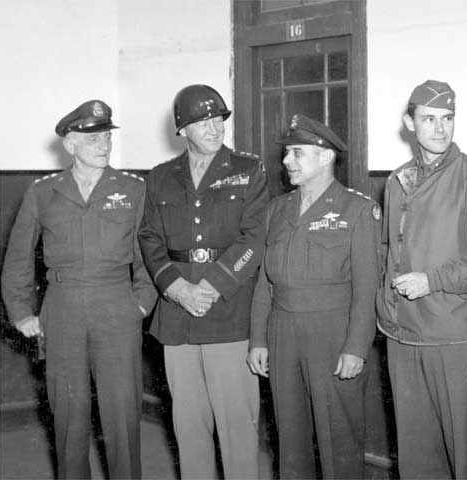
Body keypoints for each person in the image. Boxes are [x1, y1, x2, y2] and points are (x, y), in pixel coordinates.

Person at [1, 100, 157, 479]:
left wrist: (139, 305)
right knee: (69, 417)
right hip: (63, 310)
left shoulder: (133, 189)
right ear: (70, 145)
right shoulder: (43, 192)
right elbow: (18, 258)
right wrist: (21, 312)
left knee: (122, 414)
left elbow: (149, 254)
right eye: (93, 138)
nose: (104, 144)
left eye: (106, 136)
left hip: (117, 306)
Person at [137, 84, 268, 479]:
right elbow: (149, 237)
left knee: (237, 428)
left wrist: (209, 289)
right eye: (202, 121)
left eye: (218, 119)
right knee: (188, 427)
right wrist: (175, 289)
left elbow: (254, 236)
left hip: (227, 312)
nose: (214, 128)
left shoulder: (248, 169)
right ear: (182, 129)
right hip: (176, 317)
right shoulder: (160, 177)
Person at [376, 80, 467, 479]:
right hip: (402, 335)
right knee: (417, 457)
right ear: (409, 122)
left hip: (454, 337)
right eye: (429, 119)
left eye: (447, 119)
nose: (440, 128)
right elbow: (389, 252)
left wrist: (434, 280)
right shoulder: (396, 180)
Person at [247, 114, 381, 479]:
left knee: (339, 439)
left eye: (297, 153)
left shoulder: (357, 210)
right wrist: (259, 339)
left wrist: (356, 347)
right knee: (290, 439)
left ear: (325, 157)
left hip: (332, 333)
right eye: (287, 153)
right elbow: (264, 282)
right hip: (282, 332)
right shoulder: (277, 209)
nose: (287, 161)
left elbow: (367, 288)